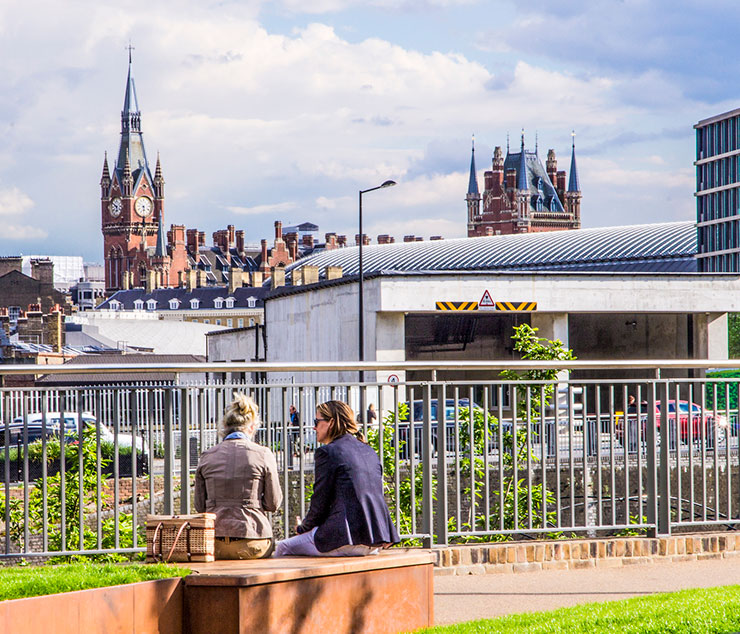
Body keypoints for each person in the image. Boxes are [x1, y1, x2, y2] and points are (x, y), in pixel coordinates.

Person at [274, 400, 400, 557]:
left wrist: (303, 528)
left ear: (331, 422)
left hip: (345, 538)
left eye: (316, 421)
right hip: (376, 539)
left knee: (283, 548)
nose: (313, 427)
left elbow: (320, 500)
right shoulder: (368, 450)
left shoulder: (328, 452)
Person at [194, 393, 282, 559]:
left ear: (224, 427)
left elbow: (200, 506)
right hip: (253, 539)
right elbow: (273, 503)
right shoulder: (263, 454)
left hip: (214, 542)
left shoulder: (207, 456)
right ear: (251, 427)